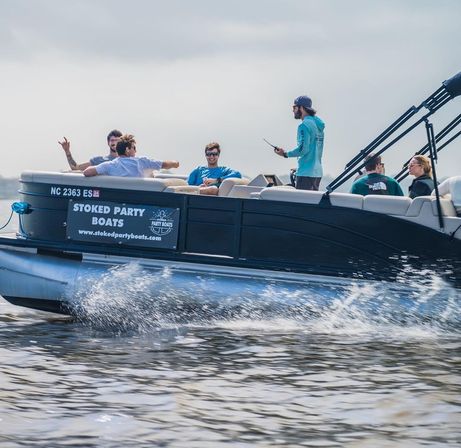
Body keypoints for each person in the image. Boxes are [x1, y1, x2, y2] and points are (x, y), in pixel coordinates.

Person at [274, 96, 325, 190]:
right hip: (317, 173)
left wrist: (285, 154)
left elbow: (303, 149)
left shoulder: (304, 125)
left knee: (301, 203)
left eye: (294, 107)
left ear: (301, 108)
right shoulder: (318, 125)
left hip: (306, 174)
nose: (293, 110)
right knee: (310, 203)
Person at [83, 134, 179, 177]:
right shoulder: (141, 161)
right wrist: (175, 163)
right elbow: (165, 165)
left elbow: (87, 172)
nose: (136, 151)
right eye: (134, 148)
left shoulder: (109, 165)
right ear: (127, 150)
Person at [58, 129, 123, 171]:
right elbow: (76, 168)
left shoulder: (128, 161)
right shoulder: (99, 160)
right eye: (112, 140)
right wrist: (67, 151)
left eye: (117, 140)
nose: (114, 143)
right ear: (108, 143)